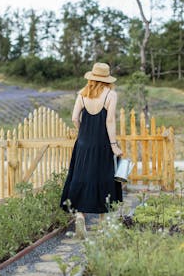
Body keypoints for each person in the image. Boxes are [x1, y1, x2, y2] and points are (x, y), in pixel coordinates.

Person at [60, 62, 123, 238]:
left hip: (83, 144)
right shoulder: (111, 95)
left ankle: (80, 215)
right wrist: (114, 145)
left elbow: (74, 118)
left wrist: (84, 133)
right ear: (107, 79)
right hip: (102, 144)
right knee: (104, 177)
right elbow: (109, 121)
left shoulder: (82, 94)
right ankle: (102, 223)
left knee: (80, 177)